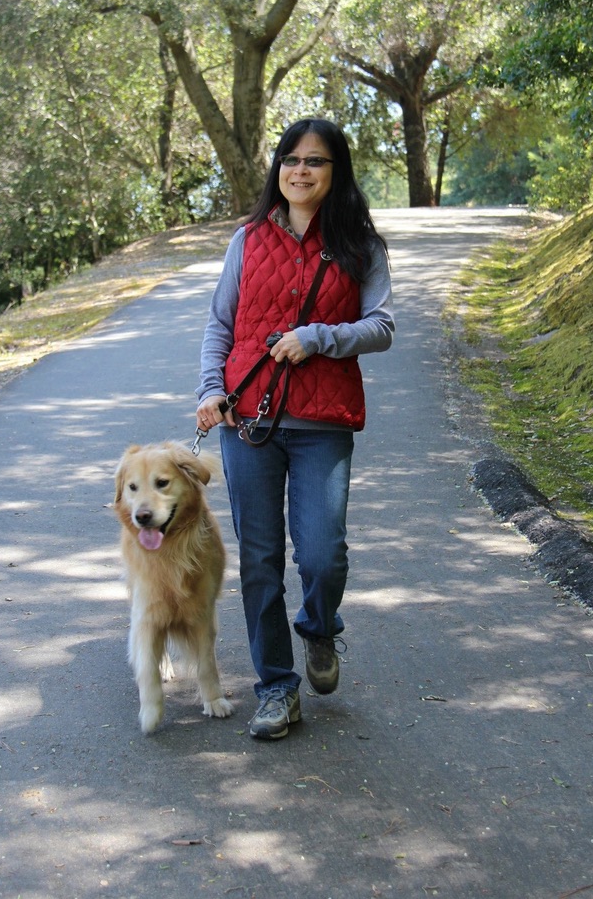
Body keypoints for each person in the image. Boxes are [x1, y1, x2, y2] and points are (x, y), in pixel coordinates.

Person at [195, 117, 394, 741]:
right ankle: (277, 689)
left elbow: (382, 326)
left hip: (321, 424)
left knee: (322, 555)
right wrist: (210, 391)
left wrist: (318, 337)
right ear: (278, 167)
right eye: (290, 159)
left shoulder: (361, 245)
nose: (300, 170)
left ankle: (319, 626)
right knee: (259, 561)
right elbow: (220, 324)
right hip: (248, 422)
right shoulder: (247, 240)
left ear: (336, 172)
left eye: (315, 161)